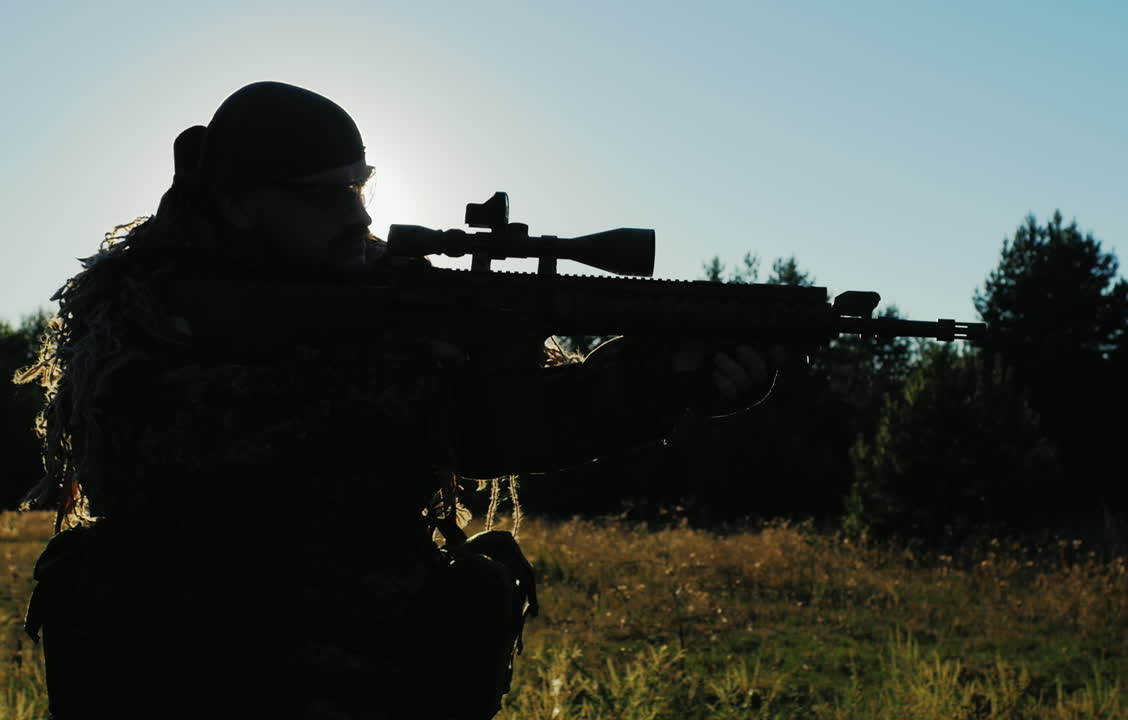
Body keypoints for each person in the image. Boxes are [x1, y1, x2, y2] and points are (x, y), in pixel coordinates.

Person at [17, 81, 782, 719]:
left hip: (374, 675)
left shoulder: (388, 295)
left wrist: (659, 380)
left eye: (361, 188)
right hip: (194, 676)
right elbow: (146, 444)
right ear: (243, 201)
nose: (358, 217)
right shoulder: (145, 302)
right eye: (326, 197)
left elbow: (501, 432)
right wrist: (376, 379)